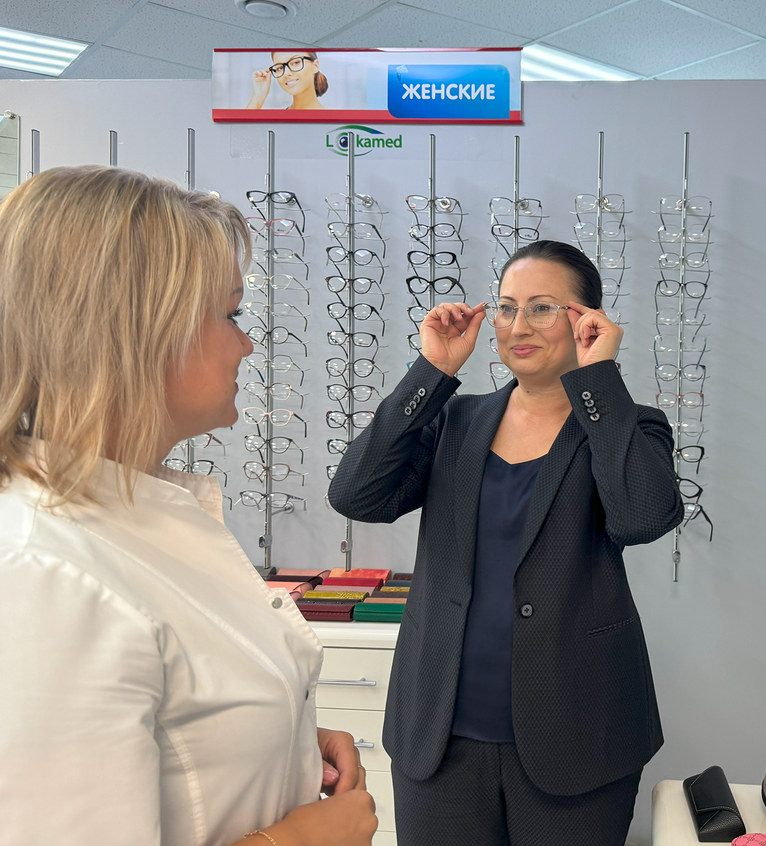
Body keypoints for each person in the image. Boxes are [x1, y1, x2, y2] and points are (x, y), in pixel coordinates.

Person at [0, 166, 376, 846]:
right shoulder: (41, 576)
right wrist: (302, 840)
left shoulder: (133, 516)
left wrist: (278, 739)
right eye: (231, 315)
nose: (247, 344)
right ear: (136, 330)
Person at [328, 239, 685, 845]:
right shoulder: (456, 420)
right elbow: (357, 495)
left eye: (543, 308)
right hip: (439, 737)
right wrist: (432, 371)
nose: (519, 326)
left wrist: (598, 379)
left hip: (577, 736)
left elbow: (642, 518)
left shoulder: (624, 425)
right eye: (507, 307)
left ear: (587, 320)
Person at [245, 50, 327, 110]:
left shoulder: (329, 119)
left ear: (315, 66)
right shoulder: (278, 117)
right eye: (280, 68)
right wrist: (257, 97)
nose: (286, 73)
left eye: (295, 62)